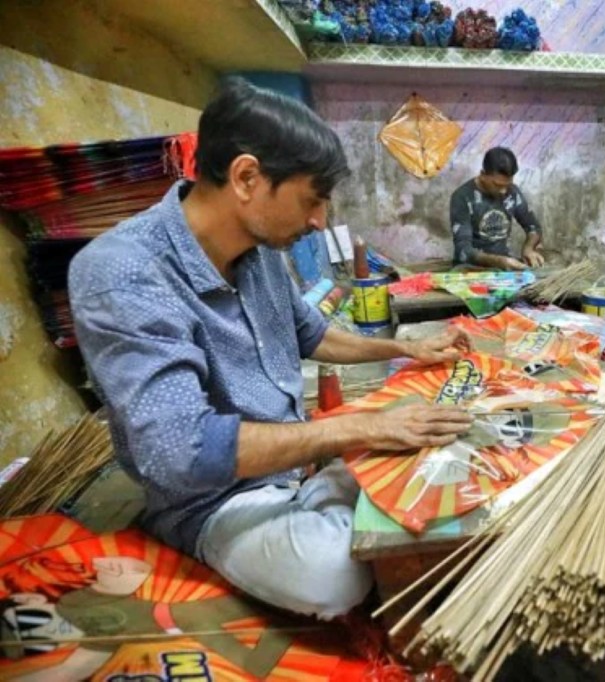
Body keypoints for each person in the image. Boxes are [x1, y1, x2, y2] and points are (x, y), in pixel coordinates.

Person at [68, 79, 474, 620]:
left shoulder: (257, 252)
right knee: (332, 576)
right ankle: (322, 512)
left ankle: (329, 501)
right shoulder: (123, 272)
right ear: (246, 177)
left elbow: (312, 334)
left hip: (295, 469)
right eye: (313, 199)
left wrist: (407, 349)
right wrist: (356, 430)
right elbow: (176, 450)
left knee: (438, 456)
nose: (318, 222)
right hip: (216, 501)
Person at [450, 147, 545, 271]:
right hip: (470, 268)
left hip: (503, 267)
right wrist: (499, 261)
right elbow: (463, 250)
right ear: (483, 175)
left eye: (508, 185)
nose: (503, 191)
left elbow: (533, 227)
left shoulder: (512, 193)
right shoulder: (463, 197)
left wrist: (528, 248)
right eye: (497, 185)